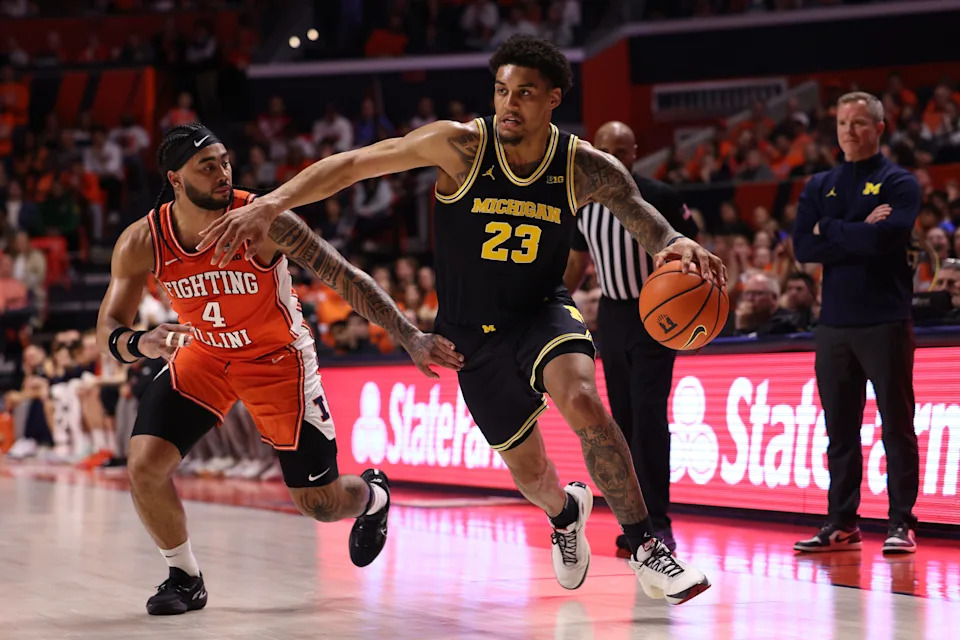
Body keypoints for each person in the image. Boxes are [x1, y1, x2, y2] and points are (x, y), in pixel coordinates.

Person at [198, 36, 726, 605]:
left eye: (524, 93)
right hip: (471, 337)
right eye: (501, 91)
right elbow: (354, 164)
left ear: (552, 100)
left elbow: (639, 213)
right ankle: (565, 512)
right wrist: (272, 202)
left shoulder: (580, 166)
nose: (508, 104)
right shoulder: (460, 146)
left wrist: (675, 241)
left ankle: (647, 547)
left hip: (543, 311)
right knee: (534, 479)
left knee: (584, 401)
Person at [96, 122, 463, 616]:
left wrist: (410, 336)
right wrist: (141, 341)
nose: (223, 172)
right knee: (144, 465)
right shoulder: (143, 240)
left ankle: (372, 495)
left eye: (225, 160)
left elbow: (342, 275)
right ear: (176, 179)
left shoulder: (263, 218)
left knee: (320, 504)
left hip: (277, 362)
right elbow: (109, 330)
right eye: (207, 166)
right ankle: (184, 576)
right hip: (205, 355)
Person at [792, 91, 922, 554]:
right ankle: (842, 523)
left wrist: (831, 228)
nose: (850, 131)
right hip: (833, 326)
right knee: (840, 431)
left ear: (880, 127)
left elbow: (886, 239)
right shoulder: (818, 184)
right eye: (844, 123)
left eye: (861, 122)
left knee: (896, 426)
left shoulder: (900, 182)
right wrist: (857, 228)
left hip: (885, 319)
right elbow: (803, 248)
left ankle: (902, 522)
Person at [563, 121, 699, 554]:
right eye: (605, 150)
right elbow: (577, 264)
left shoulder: (659, 197)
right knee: (619, 424)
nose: (614, 157)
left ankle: (659, 521)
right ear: (593, 151)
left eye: (622, 150)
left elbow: (691, 255)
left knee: (649, 420)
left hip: (657, 318)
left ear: (635, 151)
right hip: (613, 316)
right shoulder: (582, 202)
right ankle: (635, 524)